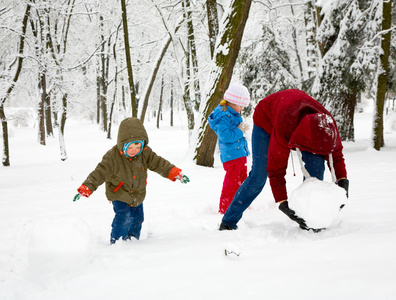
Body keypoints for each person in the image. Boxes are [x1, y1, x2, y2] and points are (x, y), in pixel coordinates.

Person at [219, 89, 349, 231]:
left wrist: (342, 180)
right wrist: (283, 203)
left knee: (316, 168)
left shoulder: (328, 125)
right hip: (267, 120)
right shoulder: (284, 127)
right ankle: (228, 221)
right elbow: (276, 170)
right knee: (258, 176)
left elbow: (336, 155)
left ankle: (311, 219)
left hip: (301, 119)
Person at [74, 117, 190, 244]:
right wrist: (87, 187)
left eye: (138, 146)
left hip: (138, 193)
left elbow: (159, 163)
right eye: (130, 147)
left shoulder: (145, 153)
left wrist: (174, 173)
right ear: (122, 144)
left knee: (138, 218)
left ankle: (133, 241)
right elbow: (99, 172)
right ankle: (117, 242)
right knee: (124, 217)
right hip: (119, 193)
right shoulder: (112, 157)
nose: (135, 150)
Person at [208, 84, 251, 214]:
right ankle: (225, 208)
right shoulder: (223, 116)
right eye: (240, 106)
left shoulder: (232, 112)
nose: (242, 109)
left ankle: (241, 206)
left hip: (239, 153)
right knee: (232, 183)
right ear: (232, 102)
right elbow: (226, 136)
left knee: (243, 181)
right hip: (232, 156)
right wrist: (240, 130)